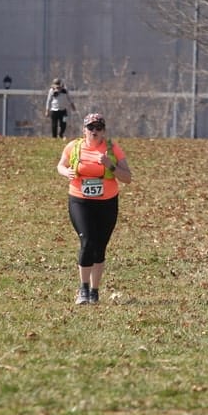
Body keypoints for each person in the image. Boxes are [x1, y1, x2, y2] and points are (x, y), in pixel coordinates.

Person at [57, 113, 132, 304]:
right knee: (87, 240)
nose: (94, 131)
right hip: (80, 200)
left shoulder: (112, 149)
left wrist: (110, 165)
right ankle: (83, 289)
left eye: (99, 128)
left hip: (107, 202)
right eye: (91, 128)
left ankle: (95, 290)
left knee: (100, 247)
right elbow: (60, 165)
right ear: (84, 130)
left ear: (104, 131)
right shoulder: (74, 147)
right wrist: (68, 172)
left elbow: (127, 178)